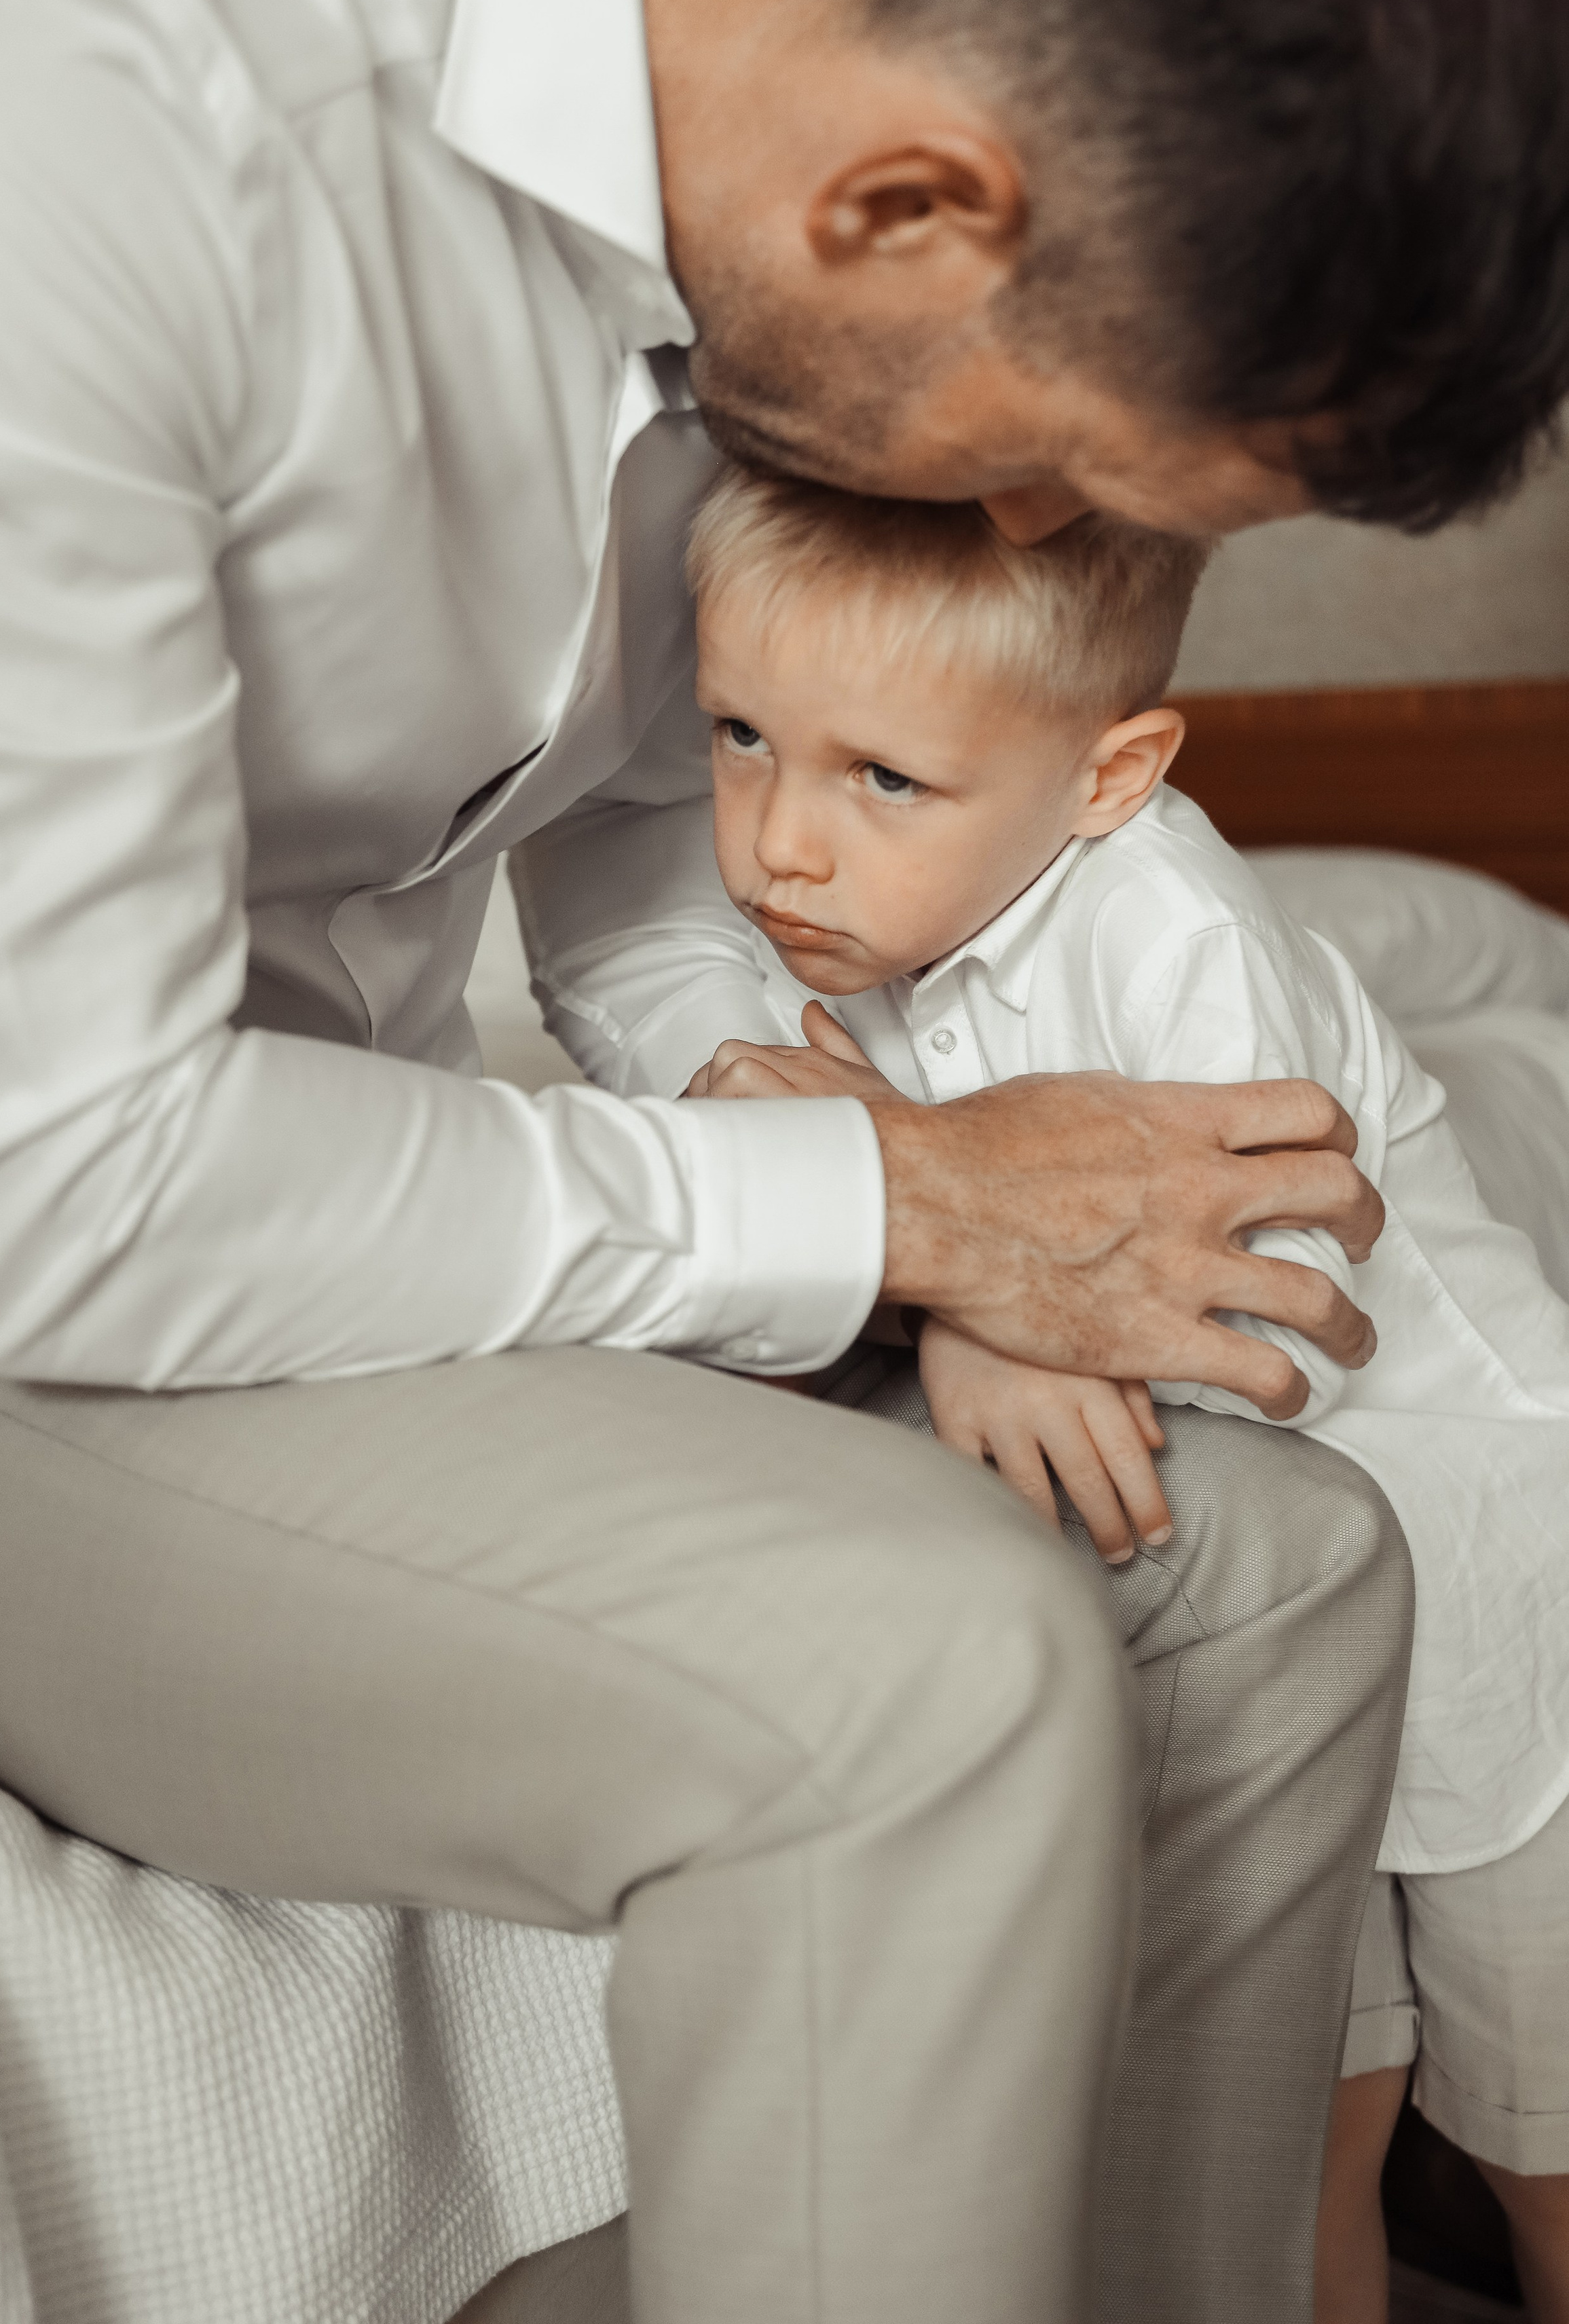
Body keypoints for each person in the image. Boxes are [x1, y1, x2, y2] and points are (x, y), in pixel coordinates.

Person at [0, 0, 1564, 2314]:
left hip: (346, 1211)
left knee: (1287, 1566)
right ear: (910, 206)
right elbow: (65, 1194)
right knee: (945, 1668)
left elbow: (652, 872)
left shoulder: (730, 232)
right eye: (1052, 474)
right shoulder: (56, 94)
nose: (1011, 542)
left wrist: (889, 1208)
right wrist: (894, 1205)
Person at [682, 464, 1569, 2324]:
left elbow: (1256, 1304)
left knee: (1540, 2143)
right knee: (1297, 2130)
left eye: (880, 780)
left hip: (1497, 1580)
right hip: (1254, 1624)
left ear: (1109, 776)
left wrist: (973, 1281)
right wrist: (942, 1255)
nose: (778, 845)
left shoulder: (1179, 940)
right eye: (738, 736)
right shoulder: (820, 940)